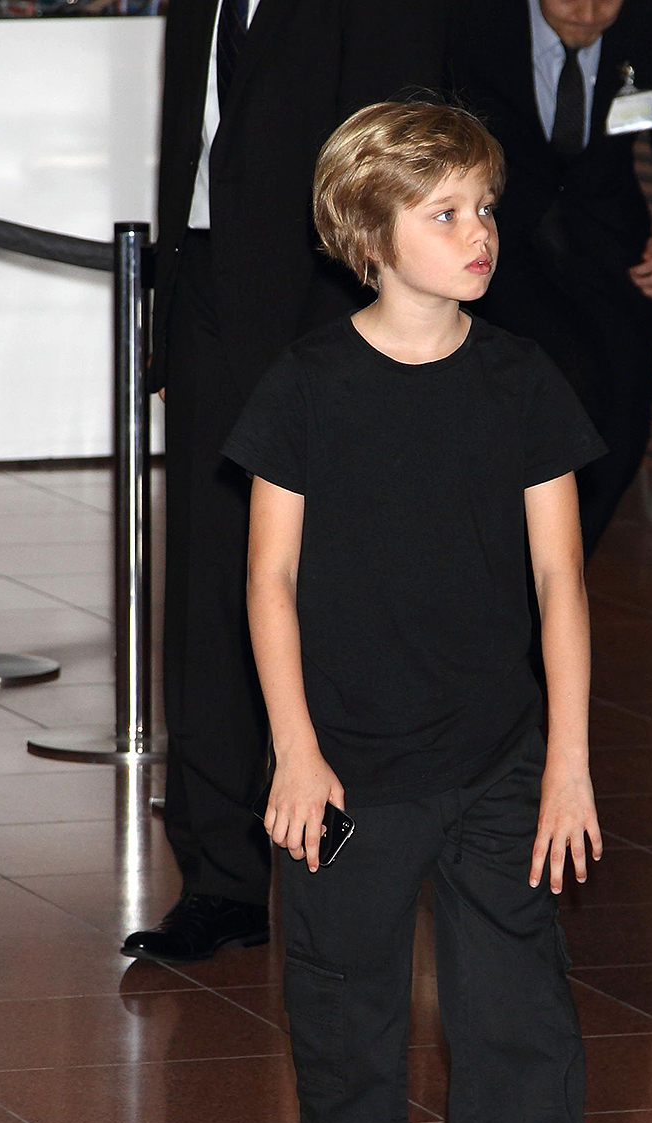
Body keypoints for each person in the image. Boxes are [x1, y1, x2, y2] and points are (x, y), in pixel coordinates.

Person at [225, 100, 640, 1123]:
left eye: (485, 210)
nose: (479, 235)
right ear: (370, 231)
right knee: (346, 1019)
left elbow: (563, 584)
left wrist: (567, 758)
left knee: (521, 1026)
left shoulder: (521, 380)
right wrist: (295, 752)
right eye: (445, 213)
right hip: (347, 765)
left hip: (497, 761)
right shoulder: (306, 386)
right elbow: (270, 584)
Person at [122, 0, 446, 964]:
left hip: (321, 307)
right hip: (212, 299)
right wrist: (174, 307)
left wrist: (374, 334)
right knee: (212, 589)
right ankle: (217, 875)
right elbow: (192, 137)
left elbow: (398, 144)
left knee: (333, 591)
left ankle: (350, 850)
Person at [448, 0, 652, 558]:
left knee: (620, 428)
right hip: (493, 245)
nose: (587, 11)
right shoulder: (472, 16)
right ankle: (516, 608)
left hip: (608, 247)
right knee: (551, 399)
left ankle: (552, 588)